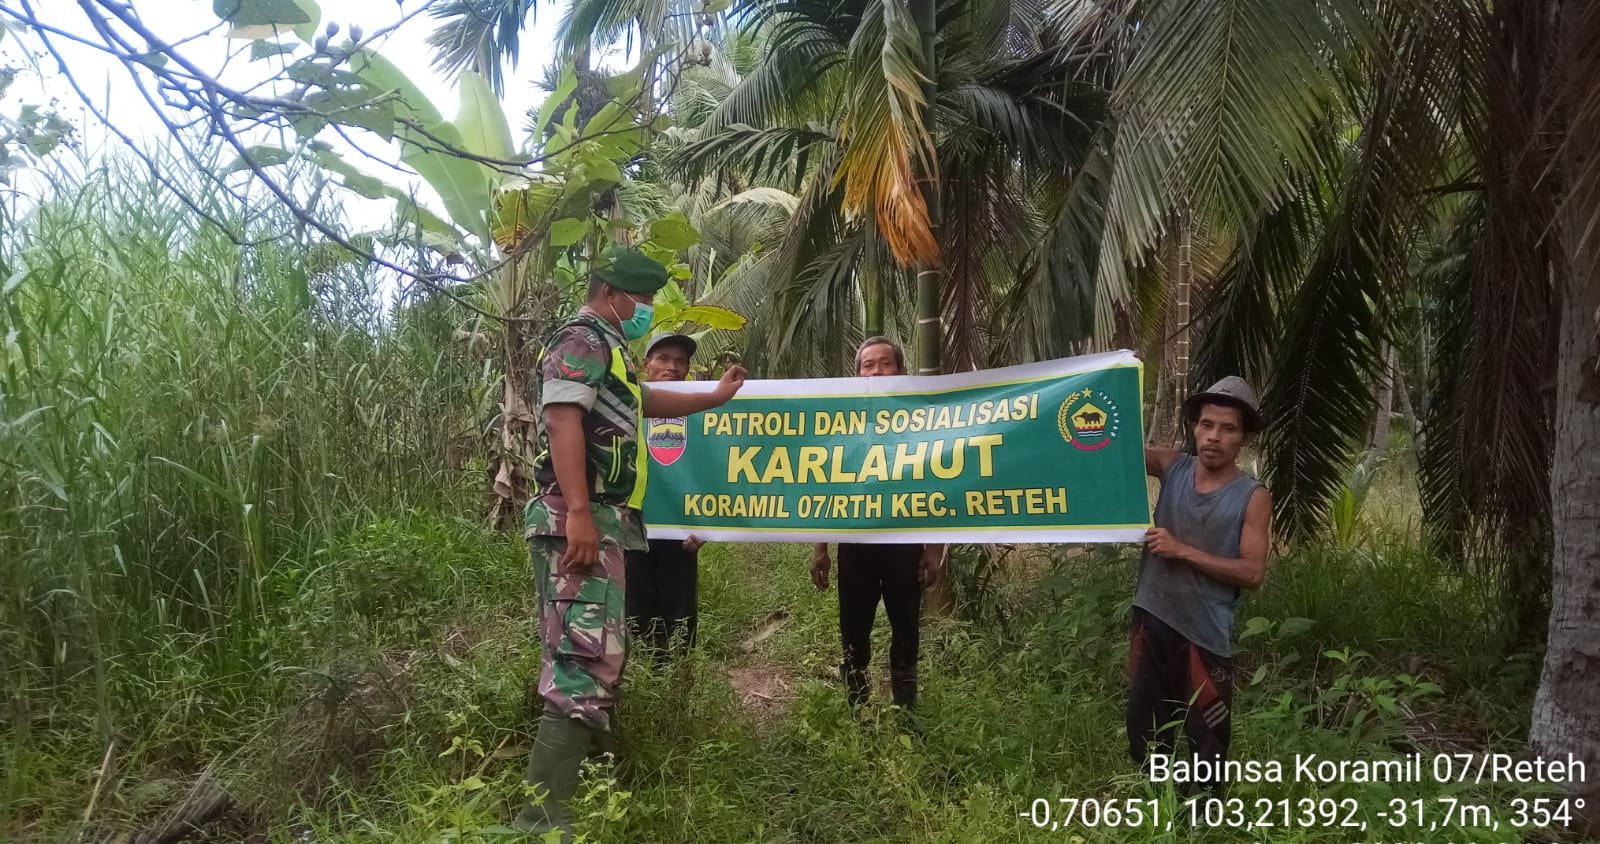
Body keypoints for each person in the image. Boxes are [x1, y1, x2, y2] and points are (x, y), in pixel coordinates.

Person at [514, 249, 746, 839]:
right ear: (611, 293)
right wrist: (580, 514)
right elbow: (562, 420)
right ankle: (540, 822)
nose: (644, 310)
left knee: (599, 658)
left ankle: (594, 792)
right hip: (578, 517)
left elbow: (646, 400)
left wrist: (714, 398)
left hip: (602, 520)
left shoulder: (611, 348)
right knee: (580, 663)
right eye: (640, 300)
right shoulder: (582, 338)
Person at [1128, 375, 1273, 790]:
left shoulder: (1252, 496)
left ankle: (1202, 817)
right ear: (1194, 427)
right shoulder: (1173, 466)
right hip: (1151, 620)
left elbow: (1252, 573)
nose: (1213, 437)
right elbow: (1113, 455)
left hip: (1203, 637)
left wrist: (1181, 550)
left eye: (1227, 429)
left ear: (1243, 438)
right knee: (1144, 732)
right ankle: (1155, 809)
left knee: (1206, 744)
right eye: (1206, 424)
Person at [810, 337, 945, 712]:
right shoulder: (842, 426)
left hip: (904, 546)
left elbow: (937, 486)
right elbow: (827, 487)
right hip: (856, 546)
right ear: (857, 375)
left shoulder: (922, 422)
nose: (876, 372)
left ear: (901, 370)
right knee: (853, 631)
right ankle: (857, 710)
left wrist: (934, 550)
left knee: (906, 628)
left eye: (885, 363)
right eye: (867, 365)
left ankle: (907, 712)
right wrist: (821, 548)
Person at [625, 331, 706, 657]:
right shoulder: (624, 403)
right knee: (632, 615)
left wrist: (709, 526)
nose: (672, 366)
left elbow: (715, 470)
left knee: (680, 620)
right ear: (646, 364)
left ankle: (677, 685)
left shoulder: (704, 410)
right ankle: (637, 682)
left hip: (681, 535)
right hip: (630, 529)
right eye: (663, 359)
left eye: (680, 361)